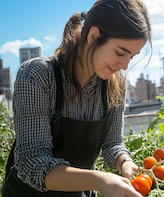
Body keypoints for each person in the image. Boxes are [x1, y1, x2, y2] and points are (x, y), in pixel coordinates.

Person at [2, 0, 151, 196]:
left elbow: (112, 144)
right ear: (93, 35)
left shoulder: (115, 86)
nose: (124, 65)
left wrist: (125, 162)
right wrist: (100, 180)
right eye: (120, 53)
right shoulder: (38, 75)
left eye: (131, 57)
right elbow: (33, 163)